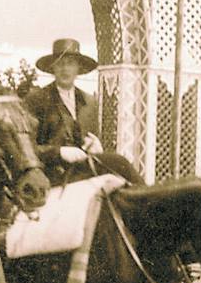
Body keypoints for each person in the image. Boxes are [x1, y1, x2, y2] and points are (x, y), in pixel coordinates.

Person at [24, 37, 143, 184]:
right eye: (60, 64)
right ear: (53, 67)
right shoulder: (37, 100)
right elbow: (26, 149)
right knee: (118, 162)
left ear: (78, 68)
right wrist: (58, 152)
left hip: (83, 171)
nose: (65, 69)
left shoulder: (89, 102)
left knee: (119, 167)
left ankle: (147, 200)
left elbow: (92, 138)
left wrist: (96, 145)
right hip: (50, 173)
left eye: (70, 64)